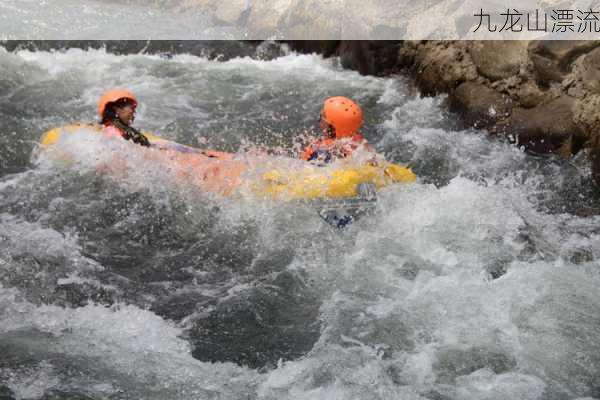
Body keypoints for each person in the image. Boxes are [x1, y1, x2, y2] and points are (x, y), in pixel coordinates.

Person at [301, 96, 373, 163]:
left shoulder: (320, 152)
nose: (319, 120)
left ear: (330, 126)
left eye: (321, 117)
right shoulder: (361, 144)